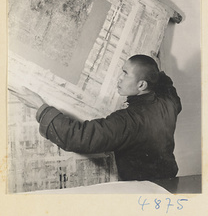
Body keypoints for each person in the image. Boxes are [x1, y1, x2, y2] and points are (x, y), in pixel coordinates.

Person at [11, 54, 182, 181]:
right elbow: (169, 88)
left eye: (125, 73)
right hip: (170, 183)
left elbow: (79, 138)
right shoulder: (169, 103)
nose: (119, 79)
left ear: (142, 85)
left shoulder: (128, 121)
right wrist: (156, 71)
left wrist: (40, 108)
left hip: (142, 193)